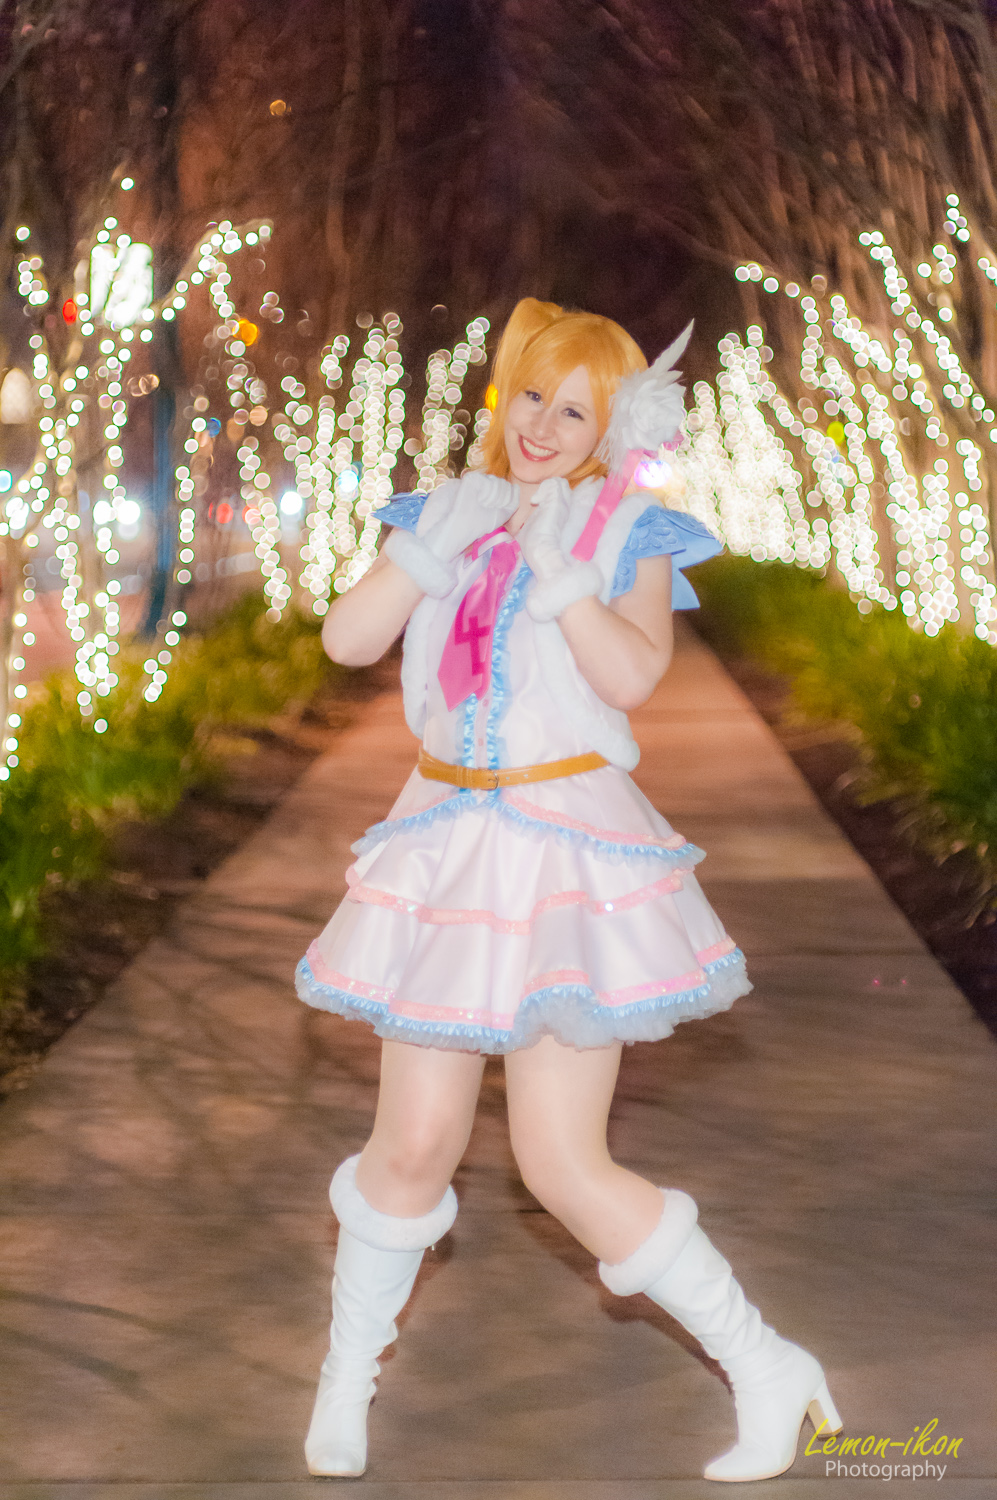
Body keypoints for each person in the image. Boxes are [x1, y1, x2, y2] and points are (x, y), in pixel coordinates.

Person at [296, 298, 840, 1483]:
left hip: (562, 853)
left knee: (559, 1163)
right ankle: (345, 1379)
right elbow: (345, 642)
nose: (542, 426)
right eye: (532, 396)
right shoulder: (445, 506)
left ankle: (765, 1366)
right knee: (411, 1144)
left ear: (612, 429)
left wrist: (562, 583)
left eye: (575, 412)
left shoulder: (628, 528)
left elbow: (634, 674)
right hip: (445, 843)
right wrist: (427, 548)